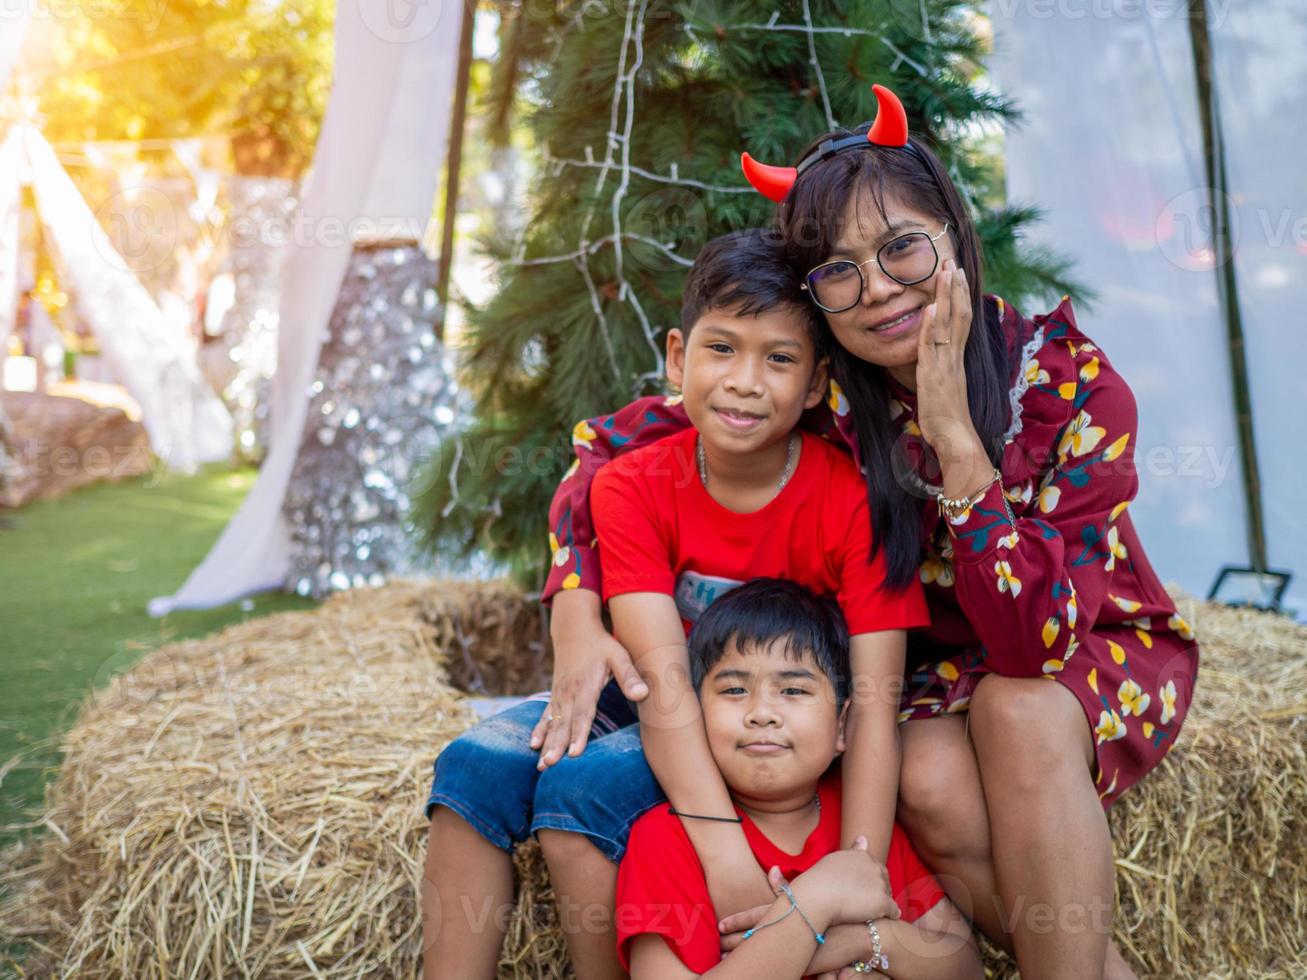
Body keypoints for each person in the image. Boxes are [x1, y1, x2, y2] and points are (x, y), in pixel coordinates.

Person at [541, 84, 1200, 979]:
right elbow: (615, 449)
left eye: (901, 249)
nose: (878, 289)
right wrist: (575, 605)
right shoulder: (824, 391)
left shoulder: (1070, 386)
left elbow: (1028, 644)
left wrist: (959, 446)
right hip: (931, 667)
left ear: (954, 236)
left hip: (1076, 645)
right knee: (924, 778)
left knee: (1015, 708)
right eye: (839, 272)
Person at [421, 228, 931, 980]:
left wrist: (856, 876)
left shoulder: (851, 498)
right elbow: (660, 678)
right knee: (470, 767)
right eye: (720, 348)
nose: (745, 381)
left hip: (761, 714)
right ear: (675, 358)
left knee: (583, 791)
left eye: (779, 358)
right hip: (663, 700)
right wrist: (723, 854)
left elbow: (876, 698)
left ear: (818, 380)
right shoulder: (630, 485)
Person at [617, 577, 980, 979]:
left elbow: (964, 967)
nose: (761, 713)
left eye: (792, 690)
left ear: (842, 726)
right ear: (697, 716)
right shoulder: (665, 841)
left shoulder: (863, 824)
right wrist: (816, 899)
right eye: (735, 690)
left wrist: (867, 942)